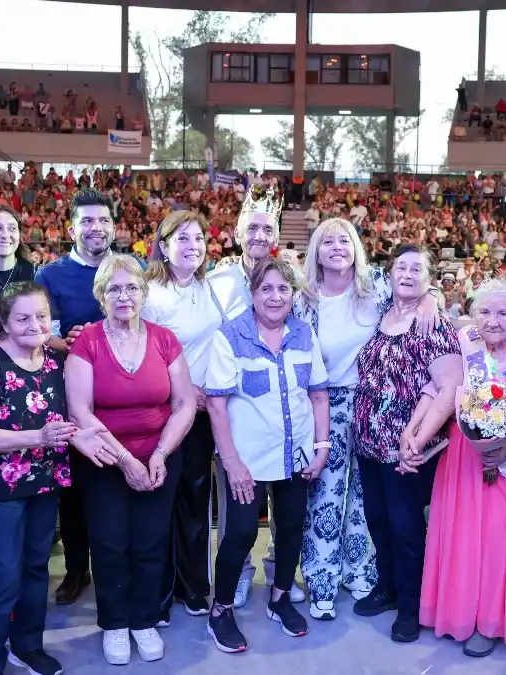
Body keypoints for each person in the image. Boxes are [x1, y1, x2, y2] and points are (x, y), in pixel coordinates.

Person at [406, 278, 506, 656]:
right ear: (472, 313)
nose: (492, 320)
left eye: (502, 312)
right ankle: (460, 612)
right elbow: (436, 389)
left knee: (501, 543)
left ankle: (493, 622)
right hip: (464, 461)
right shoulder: (462, 342)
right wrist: (413, 430)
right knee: (463, 538)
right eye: (484, 311)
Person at [293, 217, 439, 620]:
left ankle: (359, 570)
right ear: (316, 253)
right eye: (328, 242)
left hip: (378, 405)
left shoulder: (375, 285)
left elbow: (418, 284)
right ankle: (321, 580)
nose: (337, 247)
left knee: (365, 499)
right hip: (326, 403)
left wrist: (431, 300)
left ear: (356, 246)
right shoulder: (304, 298)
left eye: (345, 239)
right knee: (325, 496)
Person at [0, 282, 104, 675]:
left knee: (37, 568)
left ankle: (27, 645)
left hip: (44, 482)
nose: (34, 324)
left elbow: (75, 418)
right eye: (22, 317)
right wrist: (38, 437)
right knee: (3, 575)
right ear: (3, 322)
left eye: (41, 316)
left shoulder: (56, 365)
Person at [66, 254, 197, 665]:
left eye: (132, 287)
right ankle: (115, 624)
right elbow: (80, 412)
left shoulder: (164, 339)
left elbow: (184, 403)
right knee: (109, 543)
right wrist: (126, 461)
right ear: (101, 296)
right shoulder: (87, 341)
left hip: (159, 458)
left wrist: (159, 453)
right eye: (114, 289)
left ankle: (143, 621)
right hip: (104, 460)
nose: (124, 296)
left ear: (144, 292)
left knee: (150, 541)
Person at [204, 258, 331, 654]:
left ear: (293, 295)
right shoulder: (231, 336)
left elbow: (318, 394)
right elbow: (216, 405)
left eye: (283, 289)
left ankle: (278, 598)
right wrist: (231, 463)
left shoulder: (303, 333)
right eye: (266, 289)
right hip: (248, 460)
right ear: (253, 294)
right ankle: (220, 610)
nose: (275, 297)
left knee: (291, 527)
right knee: (241, 533)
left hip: (296, 455)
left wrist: (322, 447)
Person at [352, 245, 461, 643]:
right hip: (368, 444)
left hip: (407, 447)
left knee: (406, 526)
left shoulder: (434, 324)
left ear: (430, 279)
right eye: (402, 266)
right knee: (378, 521)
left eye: (418, 269)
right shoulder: (382, 311)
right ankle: (388, 587)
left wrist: (418, 441)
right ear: (390, 272)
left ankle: (412, 606)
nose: (409, 274)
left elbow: (450, 387)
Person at [206, 185, 305, 606]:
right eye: (253, 228)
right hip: (235, 405)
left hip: (281, 410)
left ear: (276, 234)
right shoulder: (218, 280)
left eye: (267, 228)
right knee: (238, 507)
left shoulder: (289, 275)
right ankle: (240, 571)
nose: (260, 235)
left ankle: (277, 571)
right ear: (238, 232)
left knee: (287, 507)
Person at [30, 188, 115, 605]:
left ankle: (115, 566)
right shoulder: (51, 275)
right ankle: (77, 568)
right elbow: (42, 331)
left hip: (124, 394)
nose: (95, 228)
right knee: (75, 489)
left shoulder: (129, 267)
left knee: (117, 481)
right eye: (86, 221)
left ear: (113, 226)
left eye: (102, 220)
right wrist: (72, 342)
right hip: (70, 394)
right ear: (72, 228)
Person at [141, 210, 224, 621]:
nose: (192, 247)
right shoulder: (150, 292)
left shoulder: (211, 288)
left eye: (198, 239)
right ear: (163, 244)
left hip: (204, 414)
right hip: (165, 409)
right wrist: (185, 389)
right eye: (183, 239)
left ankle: (193, 587)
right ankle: (157, 595)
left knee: (195, 501)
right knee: (160, 502)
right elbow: (142, 351)